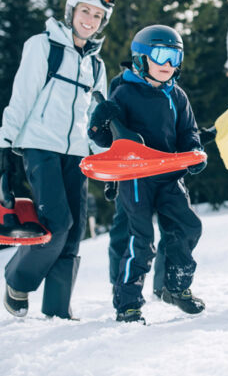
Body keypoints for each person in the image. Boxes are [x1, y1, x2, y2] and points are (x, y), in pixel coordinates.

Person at [0, 0, 115, 319]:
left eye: (97, 15)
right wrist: (4, 142)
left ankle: (57, 310)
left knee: (74, 232)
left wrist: (105, 165)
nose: (90, 19)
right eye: (85, 10)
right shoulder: (43, 47)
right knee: (57, 223)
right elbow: (22, 97)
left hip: (77, 154)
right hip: (40, 147)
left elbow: (96, 123)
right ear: (72, 11)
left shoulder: (97, 67)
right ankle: (18, 280)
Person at [88, 24, 207, 323]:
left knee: (188, 227)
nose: (168, 65)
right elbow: (108, 140)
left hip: (169, 175)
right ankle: (128, 303)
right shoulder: (124, 92)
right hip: (136, 177)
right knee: (140, 240)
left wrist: (193, 153)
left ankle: (176, 287)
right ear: (141, 58)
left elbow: (188, 131)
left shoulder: (177, 96)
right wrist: (99, 124)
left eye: (174, 57)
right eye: (159, 55)